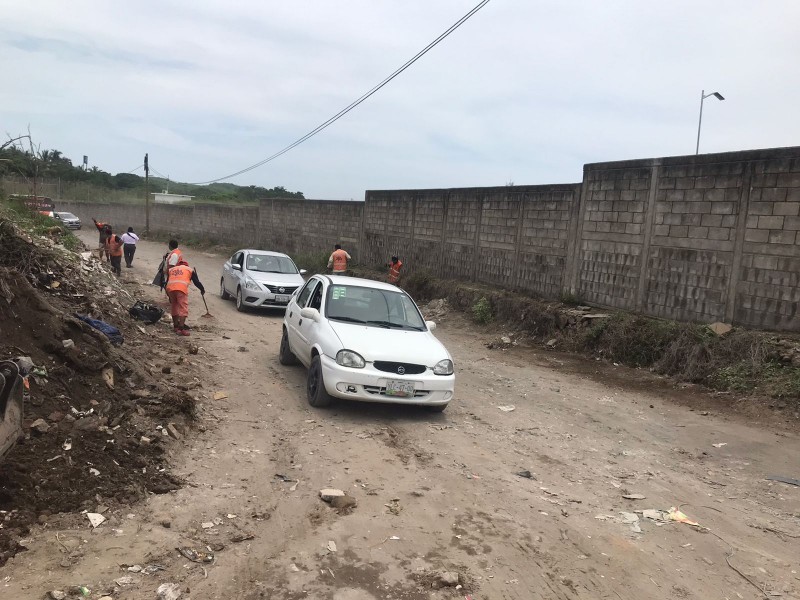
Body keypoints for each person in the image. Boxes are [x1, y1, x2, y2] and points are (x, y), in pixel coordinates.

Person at [165, 259, 205, 336]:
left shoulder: (172, 269)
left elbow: (167, 282)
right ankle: (181, 329)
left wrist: (168, 294)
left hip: (170, 288)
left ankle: (175, 326)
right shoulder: (189, 269)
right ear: (186, 265)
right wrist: (202, 289)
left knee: (174, 305)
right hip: (181, 288)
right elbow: (196, 282)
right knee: (183, 307)